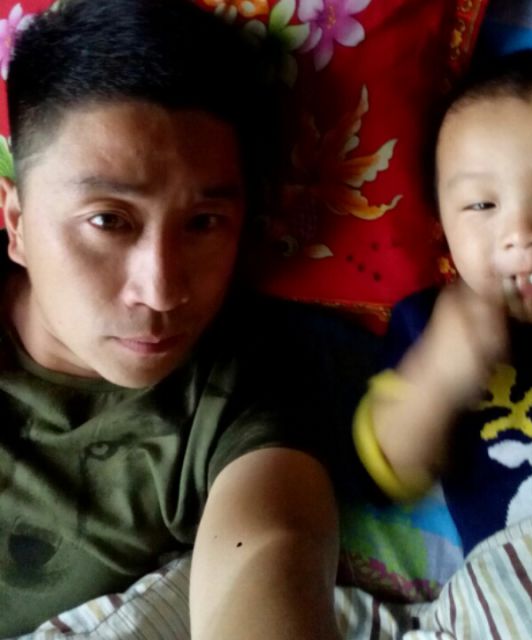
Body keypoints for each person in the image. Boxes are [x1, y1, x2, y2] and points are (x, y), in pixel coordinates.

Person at [0, 0, 376, 636]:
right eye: (108, 220)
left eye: (204, 223)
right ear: (15, 223)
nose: (161, 289)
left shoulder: (241, 400)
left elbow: (270, 545)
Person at [353, 49, 532, 556]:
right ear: (442, 226)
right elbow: (389, 474)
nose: (520, 233)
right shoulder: (433, 326)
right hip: (523, 585)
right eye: (481, 205)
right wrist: (436, 380)